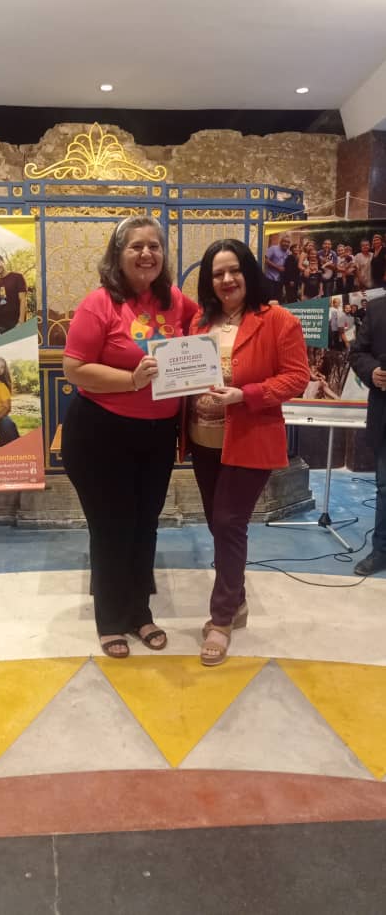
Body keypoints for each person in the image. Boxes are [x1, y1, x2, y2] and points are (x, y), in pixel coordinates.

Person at [61, 215, 197, 658]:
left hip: (156, 435)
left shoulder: (176, 301)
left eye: (154, 246)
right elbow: (75, 368)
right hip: (101, 432)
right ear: (117, 255)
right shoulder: (98, 304)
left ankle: (140, 612)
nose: (146, 254)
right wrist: (132, 380)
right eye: (135, 246)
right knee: (112, 526)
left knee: (145, 524)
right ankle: (111, 620)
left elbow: (208, 330)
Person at [184, 239, 309, 666]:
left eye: (233, 270)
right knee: (220, 527)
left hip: (250, 439)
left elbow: (296, 377)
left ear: (249, 272)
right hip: (203, 442)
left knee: (229, 523)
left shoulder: (277, 320)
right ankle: (235, 601)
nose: (226, 280)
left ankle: (221, 620)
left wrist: (245, 394)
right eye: (217, 273)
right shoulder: (201, 323)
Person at [350, 297, 386, 576]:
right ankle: (381, 551)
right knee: (385, 488)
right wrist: (372, 372)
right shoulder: (376, 308)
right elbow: (357, 353)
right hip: (384, 415)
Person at [0, 253, 27, 333]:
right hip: (2, 324)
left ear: (3, 262)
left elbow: (23, 300)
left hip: (16, 321)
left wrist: (21, 321)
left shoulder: (17, 277)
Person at [264, 234, 290, 302]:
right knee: (269, 299)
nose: (286, 244)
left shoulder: (288, 252)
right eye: (285, 241)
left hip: (280, 280)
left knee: (277, 300)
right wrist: (277, 267)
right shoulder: (273, 248)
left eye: (288, 242)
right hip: (270, 278)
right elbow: (266, 260)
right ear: (281, 242)